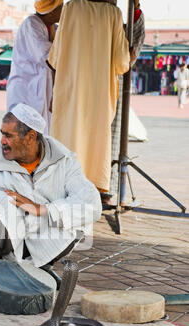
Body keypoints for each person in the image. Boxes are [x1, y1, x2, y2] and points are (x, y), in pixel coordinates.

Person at [0, 103, 102, 278]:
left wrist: (42, 209)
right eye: (2, 134)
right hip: (1, 239)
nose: (2, 141)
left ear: (31, 137)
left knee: (80, 214)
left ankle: (37, 267)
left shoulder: (65, 161)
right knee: (1, 200)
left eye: (9, 136)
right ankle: (9, 267)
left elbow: (92, 204)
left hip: (46, 237)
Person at [48, 0, 130, 196]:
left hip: (71, 87)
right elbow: (121, 63)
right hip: (98, 92)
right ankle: (90, 190)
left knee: (69, 133)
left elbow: (55, 58)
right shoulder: (114, 14)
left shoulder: (70, 8)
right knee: (95, 139)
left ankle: (64, 187)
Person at [6, 0, 63, 134]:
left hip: (41, 89)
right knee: (23, 132)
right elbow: (47, 56)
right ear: (51, 12)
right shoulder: (31, 24)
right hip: (26, 89)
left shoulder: (52, 28)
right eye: (61, 8)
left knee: (41, 133)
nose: (63, 11)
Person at [108, 2, 145, 205]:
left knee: (111, 139)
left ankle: (108, 188)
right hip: (89, 87)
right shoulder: (79, 15)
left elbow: (130, 53)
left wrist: (136, 7)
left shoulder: (118, 23)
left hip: (112, 87)